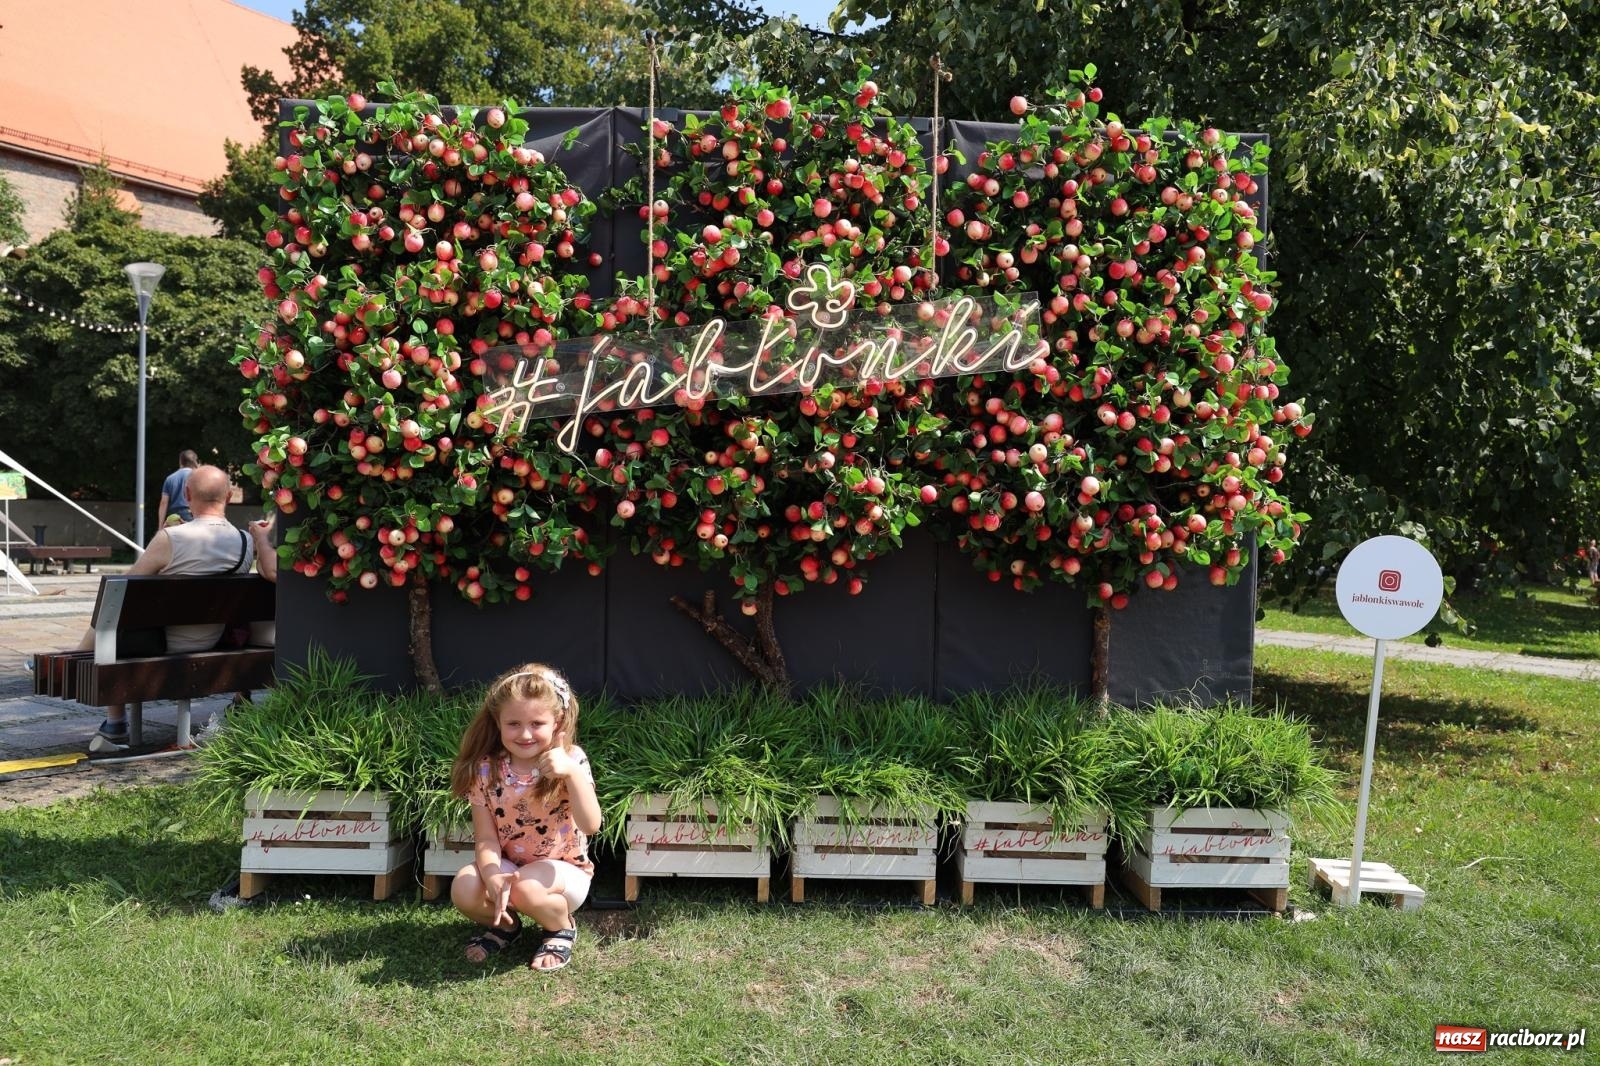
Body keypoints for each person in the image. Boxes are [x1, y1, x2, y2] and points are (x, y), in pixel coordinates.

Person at [81, 465, 256, 751]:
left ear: (187, 494)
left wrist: (166, 539)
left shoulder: (170, 538)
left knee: (111, 620)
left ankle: (115, 725)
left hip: (159, 645)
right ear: (229, 496)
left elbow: (124, 589)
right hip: (213, 641)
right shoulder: (245, 542)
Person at [448, 664, 601, 972]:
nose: (526, 733)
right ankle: (507, 926)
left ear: (556, 722)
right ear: (498, 722)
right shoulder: (486, 769)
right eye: (514, 723)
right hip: (512, 868)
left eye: (537, 723)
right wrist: (491, 875)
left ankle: (560, 926)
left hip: (564, 874)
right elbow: (487, 839)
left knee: (525, 887)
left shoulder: (571, 759)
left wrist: (570, 773)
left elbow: (591, 825)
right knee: (464, 887)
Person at [157, 450, 200, 527]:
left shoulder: (169, 478)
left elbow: (164, 503)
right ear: (194, 461)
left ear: (180, 461)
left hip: (173, 517)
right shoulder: (197, 477)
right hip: (191, 514)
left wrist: (160, 526)